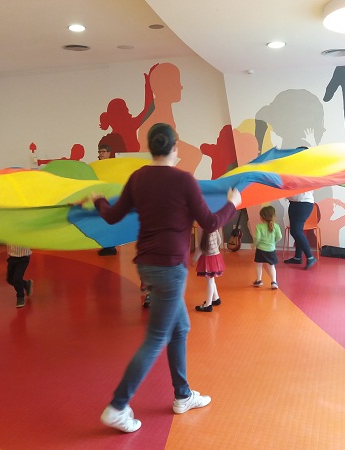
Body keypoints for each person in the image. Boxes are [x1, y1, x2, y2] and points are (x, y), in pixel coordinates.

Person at [91, 122, 241, 433]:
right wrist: (233, 204)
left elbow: (113, 216)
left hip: (147, 265)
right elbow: (211, 222)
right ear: (175, 147)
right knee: (157, 337)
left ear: (150, 148)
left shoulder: (138, 178)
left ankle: (182, 395)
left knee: (180, 327)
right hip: (170, 268)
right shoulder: (184, 180)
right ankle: (118, 406)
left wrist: (98, 201)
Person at [283, 189, 317, 270]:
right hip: (294, 203)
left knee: (296, 231)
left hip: (303, 204)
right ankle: (297, 257)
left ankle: (310, 257)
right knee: (297, 231)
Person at [193, 228, 224, 312]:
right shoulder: (214, 227)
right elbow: (219, 241)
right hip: (216, 255)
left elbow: (201, 247)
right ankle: (215, 298)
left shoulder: (201, 229)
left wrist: (194, 259)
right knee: (211, 279)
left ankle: (208, 305)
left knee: (210, 281)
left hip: (208, 258)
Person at [253, 205, 282, 289]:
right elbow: (279, 237)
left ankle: (259, 280)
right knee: (271, 266)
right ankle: (274, 282)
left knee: (258, 265)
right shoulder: (276, 226)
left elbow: (257, 238)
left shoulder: (259, 226)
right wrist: (273, 242)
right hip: (271, 250)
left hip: (260, 249)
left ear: (262, 217)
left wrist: (254, 245)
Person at [96, 142, 118, 257]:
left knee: (108, 221)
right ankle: (107, 245)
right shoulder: (96, 166)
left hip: (110, 197)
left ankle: (110, 247)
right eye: (99, 151)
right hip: (101, 196)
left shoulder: (112, 166)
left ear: (109, 153)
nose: (101, 154)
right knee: (102, 222)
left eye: (103, 151)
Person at [6, 244, 33, 308]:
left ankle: (20, 297)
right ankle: (26, 284)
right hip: (12, 257)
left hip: (23, 257)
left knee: (17, 279)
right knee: (10, 279)